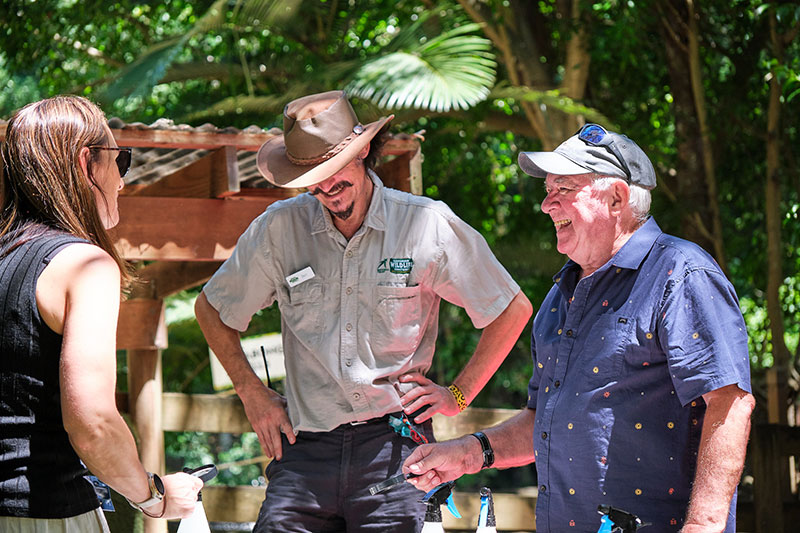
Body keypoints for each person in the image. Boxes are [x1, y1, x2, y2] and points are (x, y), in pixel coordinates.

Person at [194, 90, 533, 532]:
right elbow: (212, 309)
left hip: (396, 446)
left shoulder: (426, 223)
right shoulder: (279, 229)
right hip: (304, 448)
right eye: (315, 183)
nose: (330, 193)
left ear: (364, 153)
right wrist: (252, 394)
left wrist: (458, 395)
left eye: (337, 177)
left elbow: (511, 308)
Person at [403, 124, 755, 533]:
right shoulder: (558, 300)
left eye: (564, 189)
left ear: (617, 198)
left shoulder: (680, 273)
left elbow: (730, 403)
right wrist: (466, 453)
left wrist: (705, 525)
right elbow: (546, 422)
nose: (546, 205)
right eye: (548, 190)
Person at [0, 95, 203, 532]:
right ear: (85, 162)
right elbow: (92, 422)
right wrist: (154, 497)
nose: (122, 181)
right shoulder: (84, 265)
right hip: (46, 512)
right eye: (120, 160)